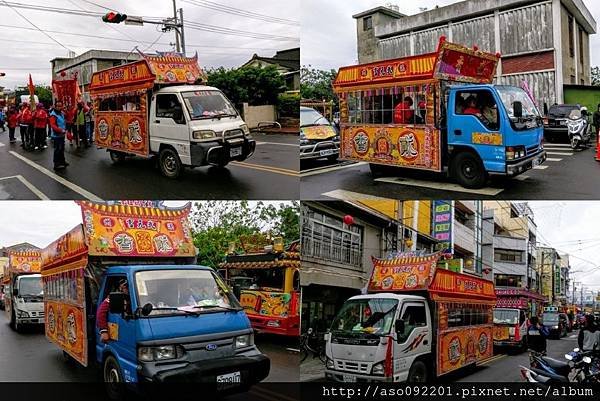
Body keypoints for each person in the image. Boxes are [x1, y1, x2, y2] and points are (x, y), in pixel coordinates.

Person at [96, 278, 129, 344]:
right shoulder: (113, 298)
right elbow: (100, 312)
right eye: (126, 287)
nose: (128, 289)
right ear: (120, 288)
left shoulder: (134, 297)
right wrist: (104, 331)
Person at [49, 101, 69, 170]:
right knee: (57, 150)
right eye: (58, 106)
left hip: (62, 135)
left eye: (60, 106)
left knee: (62, 149)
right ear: (55, 106)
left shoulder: (61, 113)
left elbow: (66, 119)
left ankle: (62, 162)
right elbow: (53, 125)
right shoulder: (53, 115)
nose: (59, 107)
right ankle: (56, 164)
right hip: (56, 135)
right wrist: (61, 130)